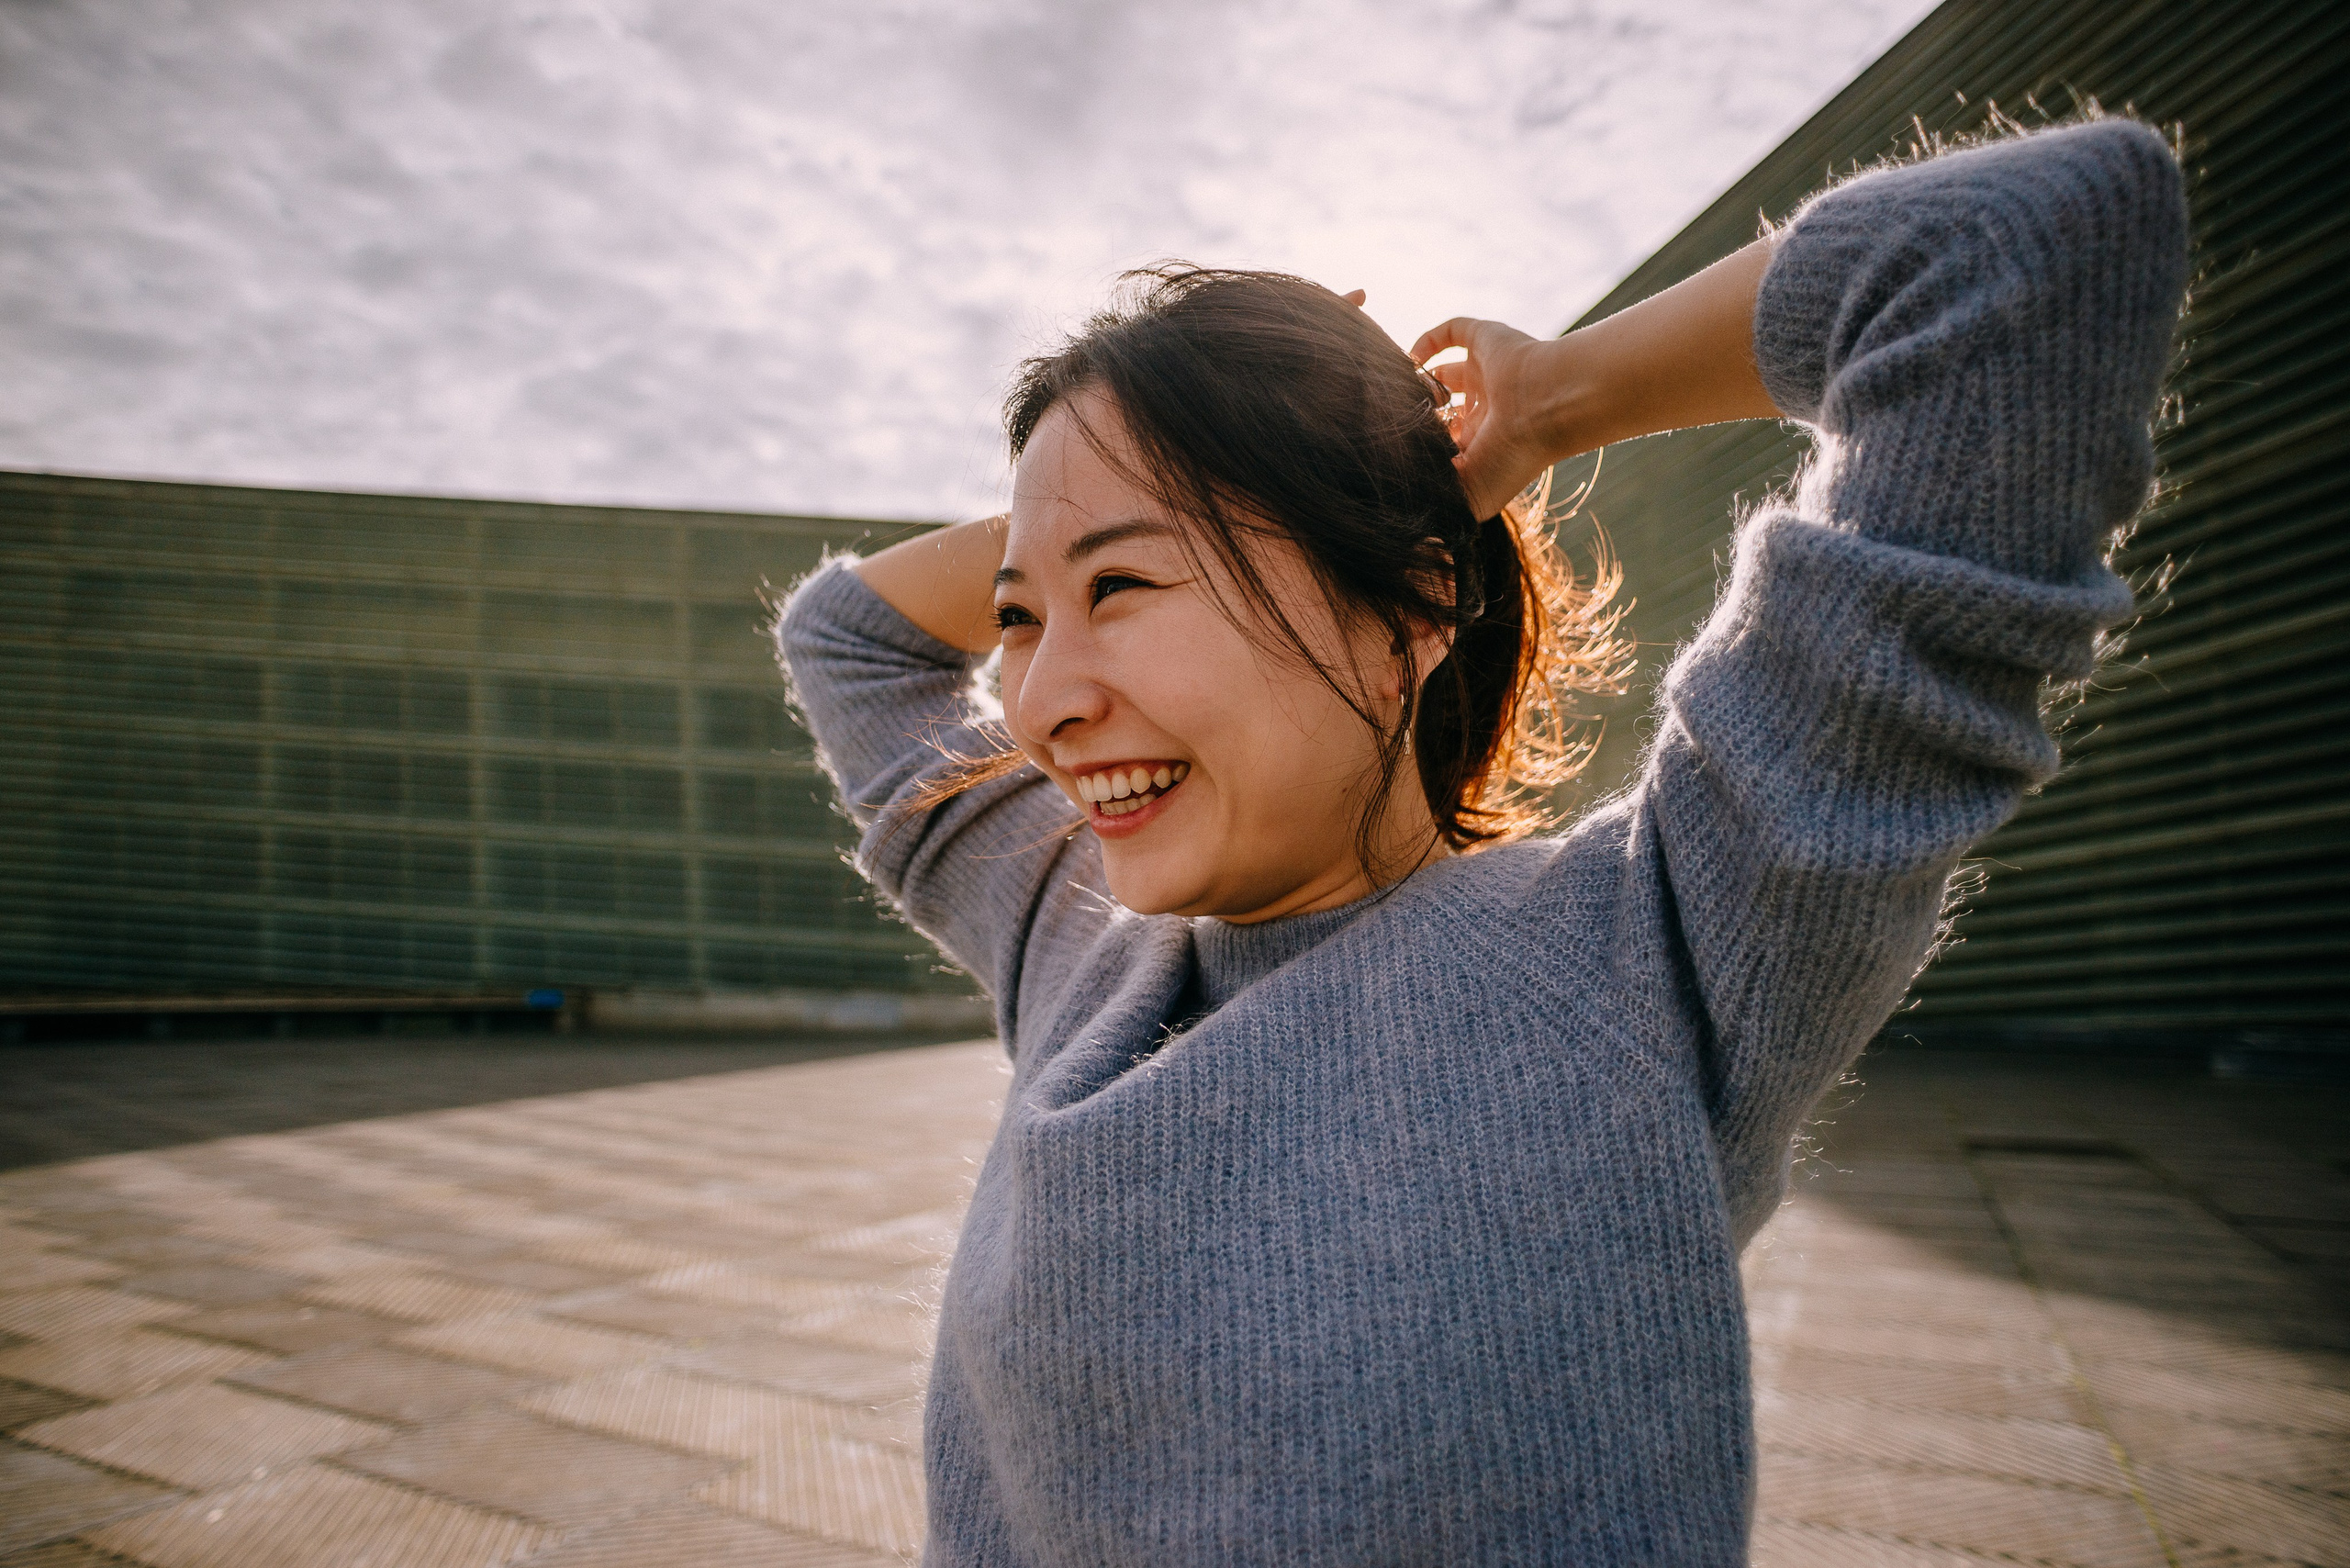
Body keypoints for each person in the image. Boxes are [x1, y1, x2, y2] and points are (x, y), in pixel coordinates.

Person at [777, 118, 2188, 1565]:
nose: (1044, 701)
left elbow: (2030, 245)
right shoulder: (1072, 945)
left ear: (1412, 607)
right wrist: (1112, 481)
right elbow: (850, 640)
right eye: (1018, 620)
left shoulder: (1658, 947)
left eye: (1125, 583)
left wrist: (1558, 399)